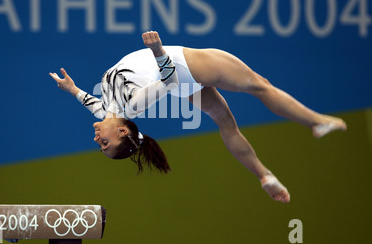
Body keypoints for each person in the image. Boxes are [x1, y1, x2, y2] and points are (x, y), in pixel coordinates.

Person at [49, 31, 346, 203]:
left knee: (226, 123)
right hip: (184, 65)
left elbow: (88, 101)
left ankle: (264, 175)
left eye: (99, 143)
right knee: (260, 85)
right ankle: (315, 121)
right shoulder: (132, 106)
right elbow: (167, 81)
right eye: (104, 144)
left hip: (185, 83)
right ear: (123, 133)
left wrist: (71, 89)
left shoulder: (107, 111)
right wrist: (157, 50)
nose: (96, 138)